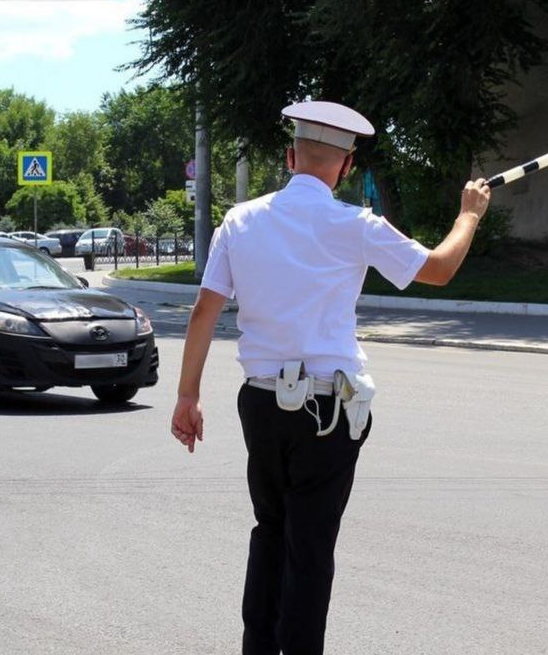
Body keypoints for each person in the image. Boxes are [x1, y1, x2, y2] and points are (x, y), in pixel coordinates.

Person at [170, 100, 490, 655]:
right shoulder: (354, 224)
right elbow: (437, 268)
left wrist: (187, 395)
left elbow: (204, 309)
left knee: (270, 530)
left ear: (290, 156)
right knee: (310, 548)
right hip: (328, 411)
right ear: (346, 168)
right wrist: (470, 215)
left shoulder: (240, 220)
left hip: (262, 404)